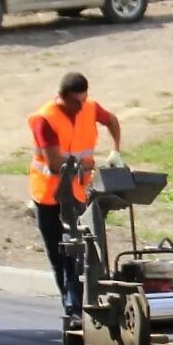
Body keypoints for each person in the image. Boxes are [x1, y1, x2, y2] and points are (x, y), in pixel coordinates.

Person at [30, 71, 124, 312]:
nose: (80, 108)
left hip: (79, 197)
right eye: (75, 102)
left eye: (83, 101)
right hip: (50, 200)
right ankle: (71, 308)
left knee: (83, 255)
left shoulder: (89, 108)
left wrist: (116, 150)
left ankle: (82, 306)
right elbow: (54, 163)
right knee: (60, 257)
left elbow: (111, 120)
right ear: (61, 96)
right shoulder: (45, 119)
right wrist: (88, 164)